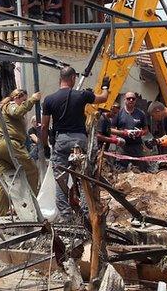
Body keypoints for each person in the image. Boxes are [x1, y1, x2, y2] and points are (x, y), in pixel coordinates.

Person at [41, 67, 109, 219]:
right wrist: (105, 86)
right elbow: (103, 98)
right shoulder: (82, 95)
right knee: (84, 177)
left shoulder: (49, 99)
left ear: (60, 79)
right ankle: (86, 213)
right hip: (80, 140)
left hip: (61, 140)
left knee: (60, 180)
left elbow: (44, 126)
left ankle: (66, 217)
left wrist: (45, 146)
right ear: (72, 78)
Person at [0, 89, 42, 217]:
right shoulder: (11, 105)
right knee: (32, 170)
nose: (24, 103)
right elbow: (17, 111)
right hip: (9, 144)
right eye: (23, 100)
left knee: (4, 179)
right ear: (17, 97)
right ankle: (32, 205)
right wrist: (32, 99)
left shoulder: (3, 109)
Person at [111, 92, 150, 172]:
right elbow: (111, 129)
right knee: (120, 171)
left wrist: (141, 132)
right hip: (122, 147)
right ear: (125, 100)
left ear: (136, 100)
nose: (131, 100)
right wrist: (123, 133)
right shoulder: (119, 113)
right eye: (129, 98)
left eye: (133, 98)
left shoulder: (141, 113)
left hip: (137, 147)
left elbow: (146, 130)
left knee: (140, 171)